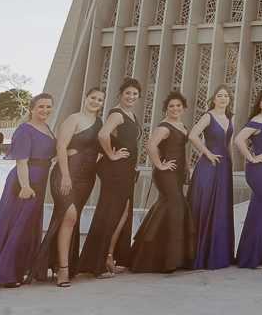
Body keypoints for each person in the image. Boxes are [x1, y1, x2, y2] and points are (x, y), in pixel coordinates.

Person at [0, 93, 56, 287]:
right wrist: (25, 187)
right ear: (31, 108)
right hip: (25, 180)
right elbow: (21, 161)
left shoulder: (47, 128)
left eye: (48, 107)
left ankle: (21, 270)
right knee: (16, 225)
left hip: (40, 179)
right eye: (41, 107)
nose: (45, 110)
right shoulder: (24, 129)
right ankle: (5, 275)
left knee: (28, 226)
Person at [27, 86, 104, 285]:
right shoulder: (73, 119)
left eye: (100, 100)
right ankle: (63, 269)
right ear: (85, 98)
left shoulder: (99, 122)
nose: (95, 102)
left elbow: (100, 146)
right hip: (65, 175)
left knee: (69, 220)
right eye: (93, 98)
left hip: (87, 179)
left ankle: (58, 262)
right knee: (69, 216)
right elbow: (61, 146)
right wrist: (67, 176)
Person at [77, 78, 142, 278]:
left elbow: (127, 141)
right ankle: (99, 262)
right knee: (111, 213)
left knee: (122, 213)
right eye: (127, 93)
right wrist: (112, 155)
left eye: (135, 94)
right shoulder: (117, 114)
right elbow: (103, 135)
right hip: (115, 169)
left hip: (126, 168)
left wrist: (134, 165)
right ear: (120, 95)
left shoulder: (130, 114)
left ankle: (109, 256)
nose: (131, 97)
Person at [131, 91, 196, 272]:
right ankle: (169, 260)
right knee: (177, 207)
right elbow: (150, 145)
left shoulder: (181, 126)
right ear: (166, 109)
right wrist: (159, 165)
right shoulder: (164, 126)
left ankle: (152, 257)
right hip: (166, 173)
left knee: (168, 206)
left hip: (176, 173)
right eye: (171, 106)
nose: (175, 109)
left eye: (178, 106)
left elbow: (181, 151)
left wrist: (186, 171)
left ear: (183, 107)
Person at [188, 83, 235, 270]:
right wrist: (207, 153)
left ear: (229, 99)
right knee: (206, 205)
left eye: (226, 96)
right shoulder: (208, 116)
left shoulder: (230, 118)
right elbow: (192, 136)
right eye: (219, 96)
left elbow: (230, 144)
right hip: (209, 164)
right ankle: (202, 254)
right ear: (214, 98)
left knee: (221, 208)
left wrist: (230, 165)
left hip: (224, 167)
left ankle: (219, 254)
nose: (223, 98)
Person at [233, 88, 262, 269]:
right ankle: (258, 257)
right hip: (258, 171)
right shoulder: (256, 121)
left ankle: (250, 257)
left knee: (256, 210)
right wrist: (252, 158)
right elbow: (238, 140)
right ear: (259, 104)